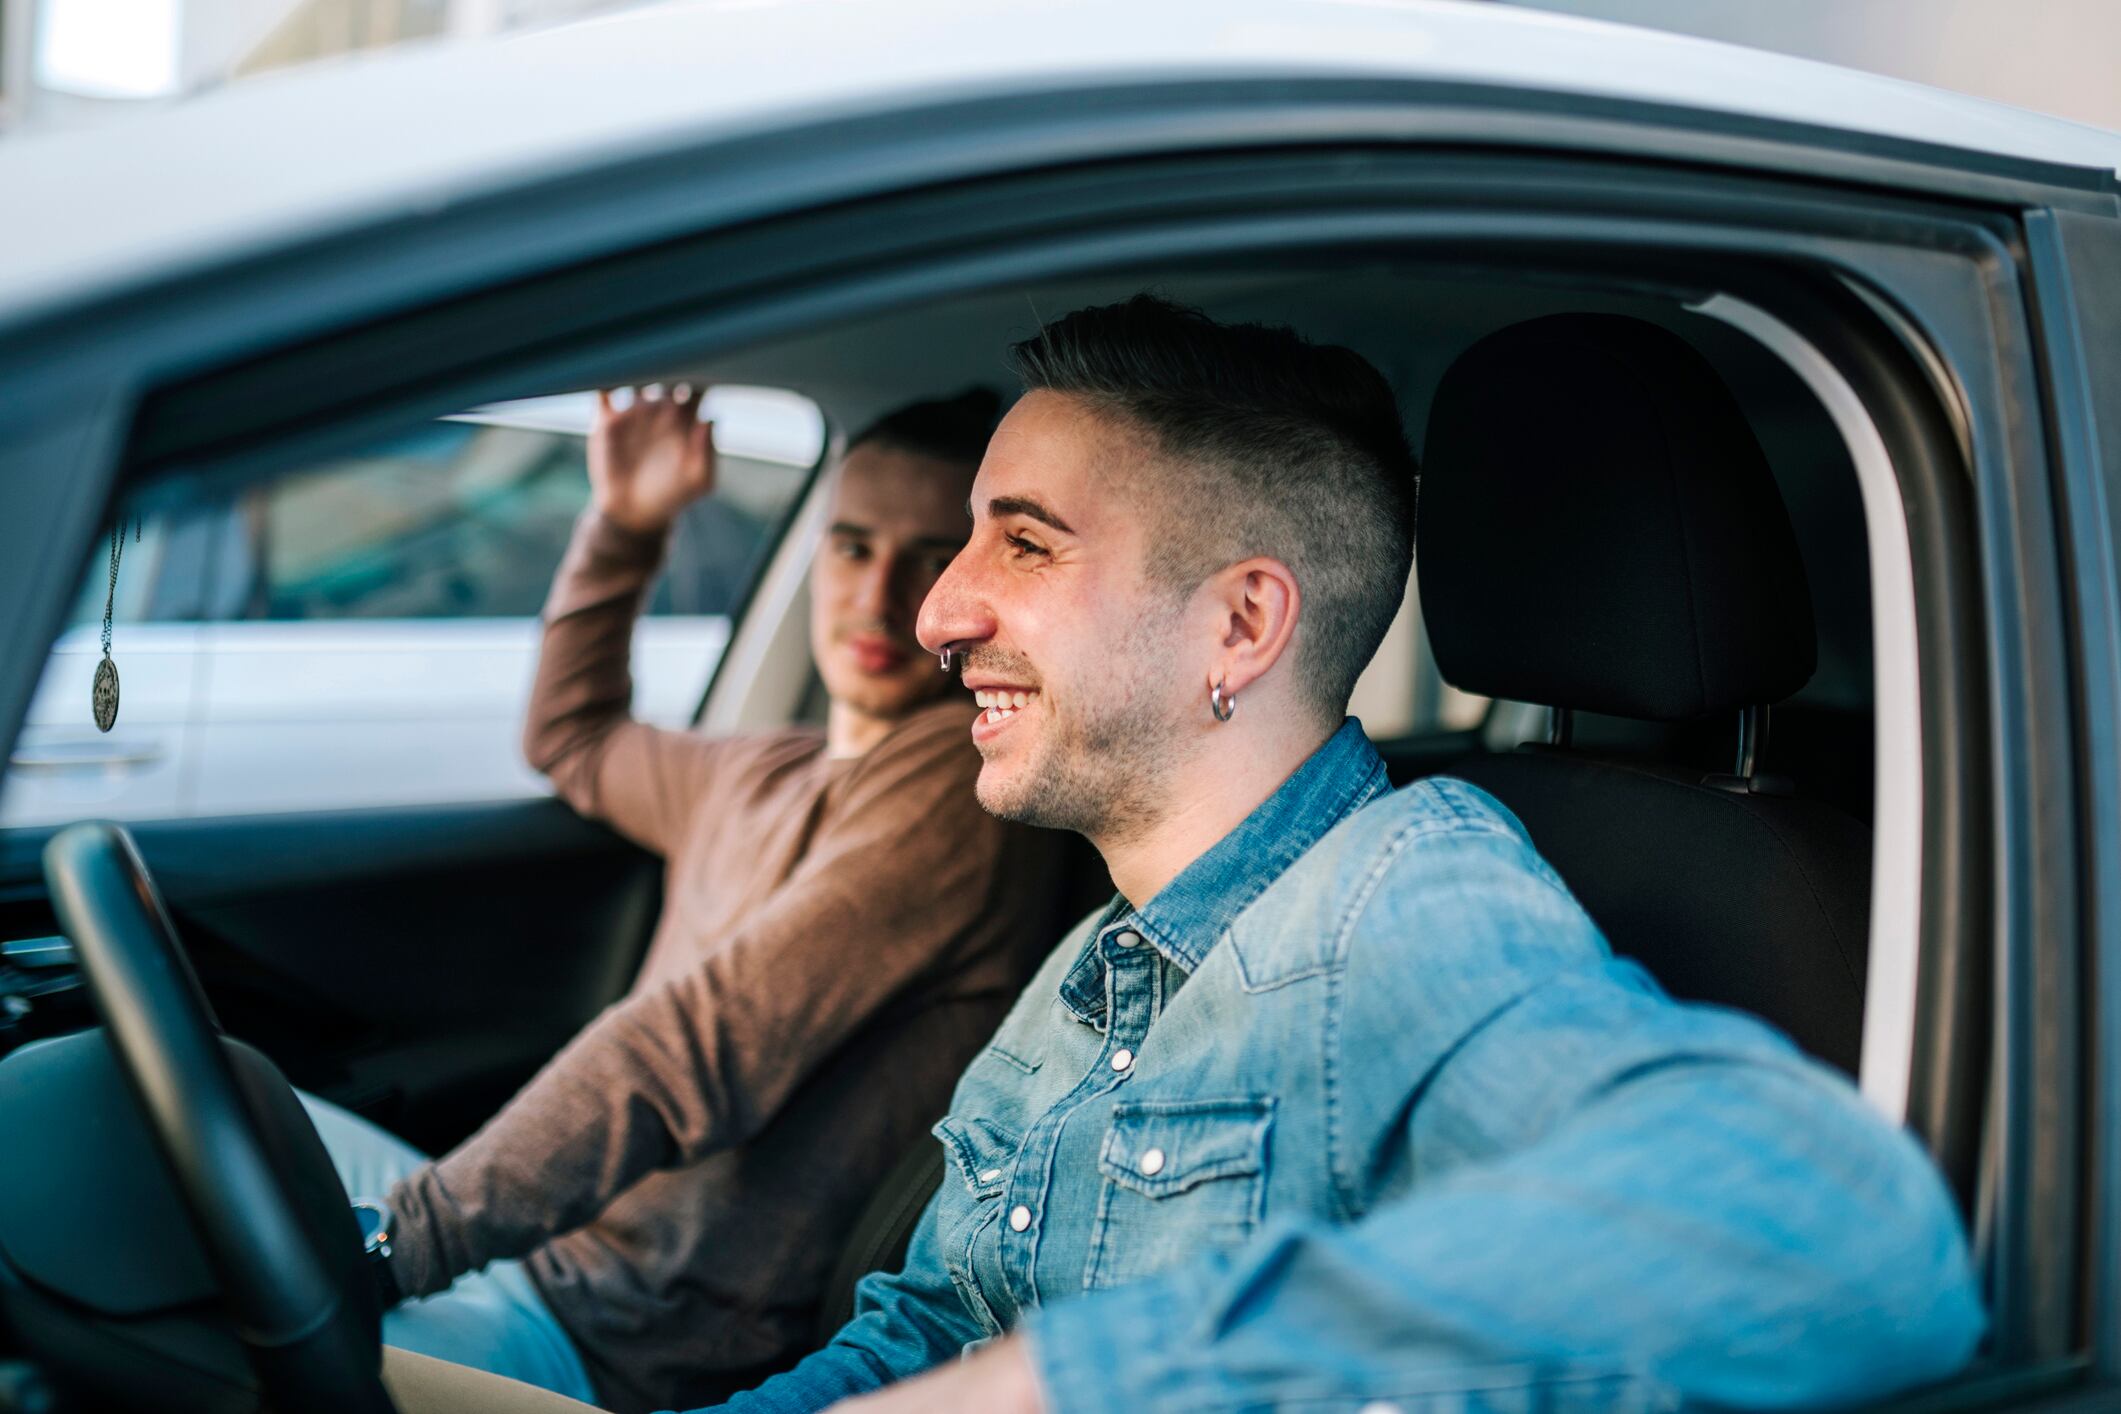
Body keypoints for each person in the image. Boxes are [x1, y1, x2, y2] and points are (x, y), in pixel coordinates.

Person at [379, 296, 1983, 1414]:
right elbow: (935, 1318)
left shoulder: (1399, 898)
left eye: (1021, 541)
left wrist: (1057, 1388)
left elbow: (1825, 1226)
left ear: (1239, 623)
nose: (934, 614)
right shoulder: (1098, 960)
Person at [305, 386, 1072, 1413]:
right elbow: (573, 738)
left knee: (212, 1332)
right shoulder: (758, 770)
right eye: (850, 547)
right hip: (533, 1258)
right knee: (190, 1105)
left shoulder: (953, 788)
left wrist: (407, 1240)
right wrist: (628, 522)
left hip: (613, 1342)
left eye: (926, 556)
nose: (882, 594)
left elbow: (696, 1045)